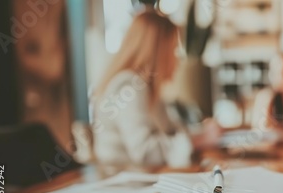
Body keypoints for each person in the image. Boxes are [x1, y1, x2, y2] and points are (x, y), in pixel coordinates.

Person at [91, 9, 221, 167]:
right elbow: (145, 153)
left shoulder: (147, 88)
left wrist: (201, 132)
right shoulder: (128, 88)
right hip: (123, 182)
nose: (177, 59)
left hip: (141, 177)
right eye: (174, 50)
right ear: (156, 51)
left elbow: (171, 131)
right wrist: (199, 140)